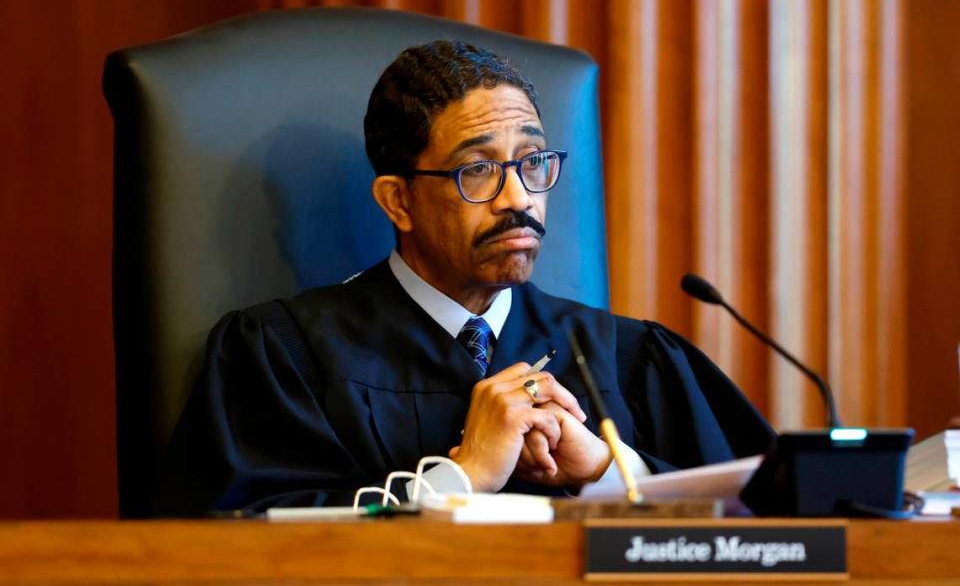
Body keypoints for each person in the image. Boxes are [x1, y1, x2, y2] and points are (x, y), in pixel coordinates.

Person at [156, 40, 774, 515]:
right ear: (398, 201)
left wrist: (607, 473)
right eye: (477, 169)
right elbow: (239, 549)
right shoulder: (284, 356)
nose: (519, 198)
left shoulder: (626, 355)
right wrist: (460, 479)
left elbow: (769, 527)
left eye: (533, 162)